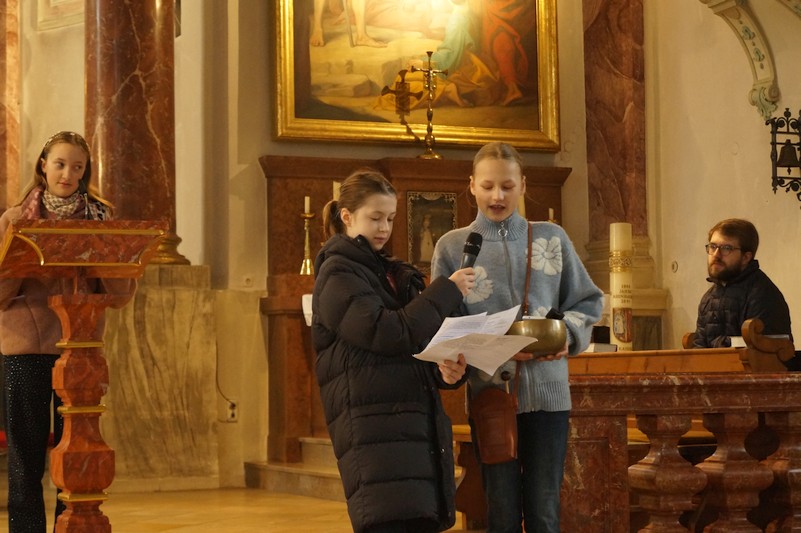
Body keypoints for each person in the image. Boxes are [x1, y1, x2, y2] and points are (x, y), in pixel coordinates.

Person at [430, 142, 603, 533]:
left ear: (523, 186)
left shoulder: (551, 239)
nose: (497, 196)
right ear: (471, 185)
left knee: (544, 509)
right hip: (490, 394)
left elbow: (588, 301)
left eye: (507, 186)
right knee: (502, 509)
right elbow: (444, 322)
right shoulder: (452, 247)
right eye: (488, 185)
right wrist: (466, 353)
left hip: (549, 396)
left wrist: (566, 336)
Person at [311, 168, 475, 533]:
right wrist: (446, 291)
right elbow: (388, 333)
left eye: (390, 218)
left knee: (418, 519)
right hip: (375, 434)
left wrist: (443, 371)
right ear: (347, 216)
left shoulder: (390, 272)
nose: (384, 227)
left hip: (411, 427)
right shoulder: (337, 275)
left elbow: (414, 345)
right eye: (375, 218)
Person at [0, 131, 134, 532]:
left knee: (76, 453)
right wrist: (23, 258)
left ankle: (71, 526)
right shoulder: (14, 219)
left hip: (80, 349)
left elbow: (120, 295)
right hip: (27, 349)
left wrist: (105, 255)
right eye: (60, 164)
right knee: (26, 456)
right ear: (43, 165)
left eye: (77, 167)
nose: (67, 174)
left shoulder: (101, 219)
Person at [692, 218, 792, 349]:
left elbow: (764, 349)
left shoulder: (762, 294)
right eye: (713, 246)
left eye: (726, 248)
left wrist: (720, 344)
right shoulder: (708, 298)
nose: (716, 254)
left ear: (746, 257)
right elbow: (699, 348)